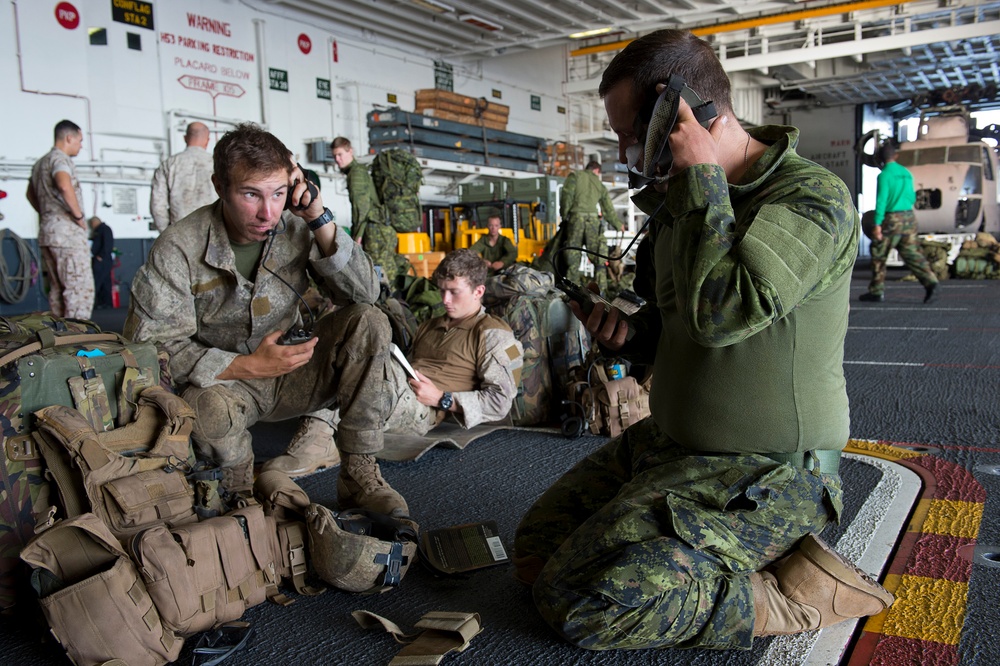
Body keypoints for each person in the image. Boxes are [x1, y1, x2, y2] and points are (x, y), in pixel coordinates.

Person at [513, 29, 893, 652]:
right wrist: (629, 335)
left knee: (579, 601)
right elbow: (676, 331)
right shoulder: (678, 206)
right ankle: (702, 558)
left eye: (632, 133)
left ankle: (780, 597)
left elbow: (723, 316)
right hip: (669, 449)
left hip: (769, 475)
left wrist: (700, 182)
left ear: (683, 112)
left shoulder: (809, 196)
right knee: (535, 556)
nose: (624, 149)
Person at [124, 123, 407, 517]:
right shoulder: (179, 247)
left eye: (277, 193)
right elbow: (152, 349)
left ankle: (358, 473)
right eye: (250, 194)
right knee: (202, 407)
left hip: (295, 371)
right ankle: (240, 489)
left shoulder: (295, 226)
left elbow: (363, 296)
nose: (267, 212)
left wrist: (316, 214)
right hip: (230, 385)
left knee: (370, 322)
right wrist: (246, 365)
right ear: (220, 186)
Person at [268, 248, 524, 460]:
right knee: (347, 355)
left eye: (454, 292)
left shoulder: (492, 334)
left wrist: (443, 399)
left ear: (478, 292)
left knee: (359, 370)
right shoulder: (431, 325)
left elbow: (500, 402)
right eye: (441, 290)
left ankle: (315, 444)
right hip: (399, 388)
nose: (445, 299)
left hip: (424, 409)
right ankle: (311, 433)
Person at [27, 119, 94, 319]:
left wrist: (47, 213)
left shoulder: (40, 163)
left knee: (57, 289)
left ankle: (59, 339)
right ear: (68, 138)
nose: (81, 146)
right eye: (80, 141)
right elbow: (64, 184)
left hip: (48, 232)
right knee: (77, 290)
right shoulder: (60, 159)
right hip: (67, 235)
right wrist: (78, 216)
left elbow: (30, 193)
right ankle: (77, 340)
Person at [860, 141, 938, 303]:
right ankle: (931, 281)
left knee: (878, 254)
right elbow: (912, 197)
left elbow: (881, 201)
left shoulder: (884, 175)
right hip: (909, 217)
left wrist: (877, 224)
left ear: (880, 158)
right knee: (912, 253)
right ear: (896, 155)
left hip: (892, 219)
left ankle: (876, 291)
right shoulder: (906, 173)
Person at [332, 137, 399, 282]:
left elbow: (361, 208)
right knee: (384, 272)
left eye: (340, 154)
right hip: (381, 228)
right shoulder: (358, 171)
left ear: (350, 151)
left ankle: (388, 303)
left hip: (375, 230)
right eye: (335, 156)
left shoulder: (356, 174)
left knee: (378, 276)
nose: (337, 159)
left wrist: (357, 236)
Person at [559, 159, 622, 284]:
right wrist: (618, 225)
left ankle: (572, 290)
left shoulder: (575, 176)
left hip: (575, 220)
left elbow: (566, 197)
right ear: (597, 170)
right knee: (599, 257)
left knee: (573, 255)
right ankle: (601, 290)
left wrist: (565, 216)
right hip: (593, 222)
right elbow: (607, 208)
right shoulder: (599, 184)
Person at [150, 121, 217, 232]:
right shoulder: (217, 164)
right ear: (208, 140)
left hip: (179, 235)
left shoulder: (169, 164)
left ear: (185, 138)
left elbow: (157, 206)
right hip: (213, 234)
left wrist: (167, 234)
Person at [89, 216, 114, 309]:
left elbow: (108, 244)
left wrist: (101, 256)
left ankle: (101, 302)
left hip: (102, 260)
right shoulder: (99, 230)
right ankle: (105, 303)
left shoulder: (104, 230)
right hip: (102, 259)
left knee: (97, 281)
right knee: (105, 282)